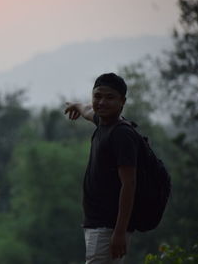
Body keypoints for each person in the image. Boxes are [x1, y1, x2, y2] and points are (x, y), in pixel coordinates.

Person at [64, 73, 139, 264]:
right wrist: (77, 106)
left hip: (108, 228)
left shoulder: (122, 134)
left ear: (122, 101)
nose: (102, 102)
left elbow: (129, 184)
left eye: (110, 97)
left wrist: (119, 232)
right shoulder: (103, 122)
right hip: (97, 224)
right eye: (97, 96)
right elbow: (88, 110)